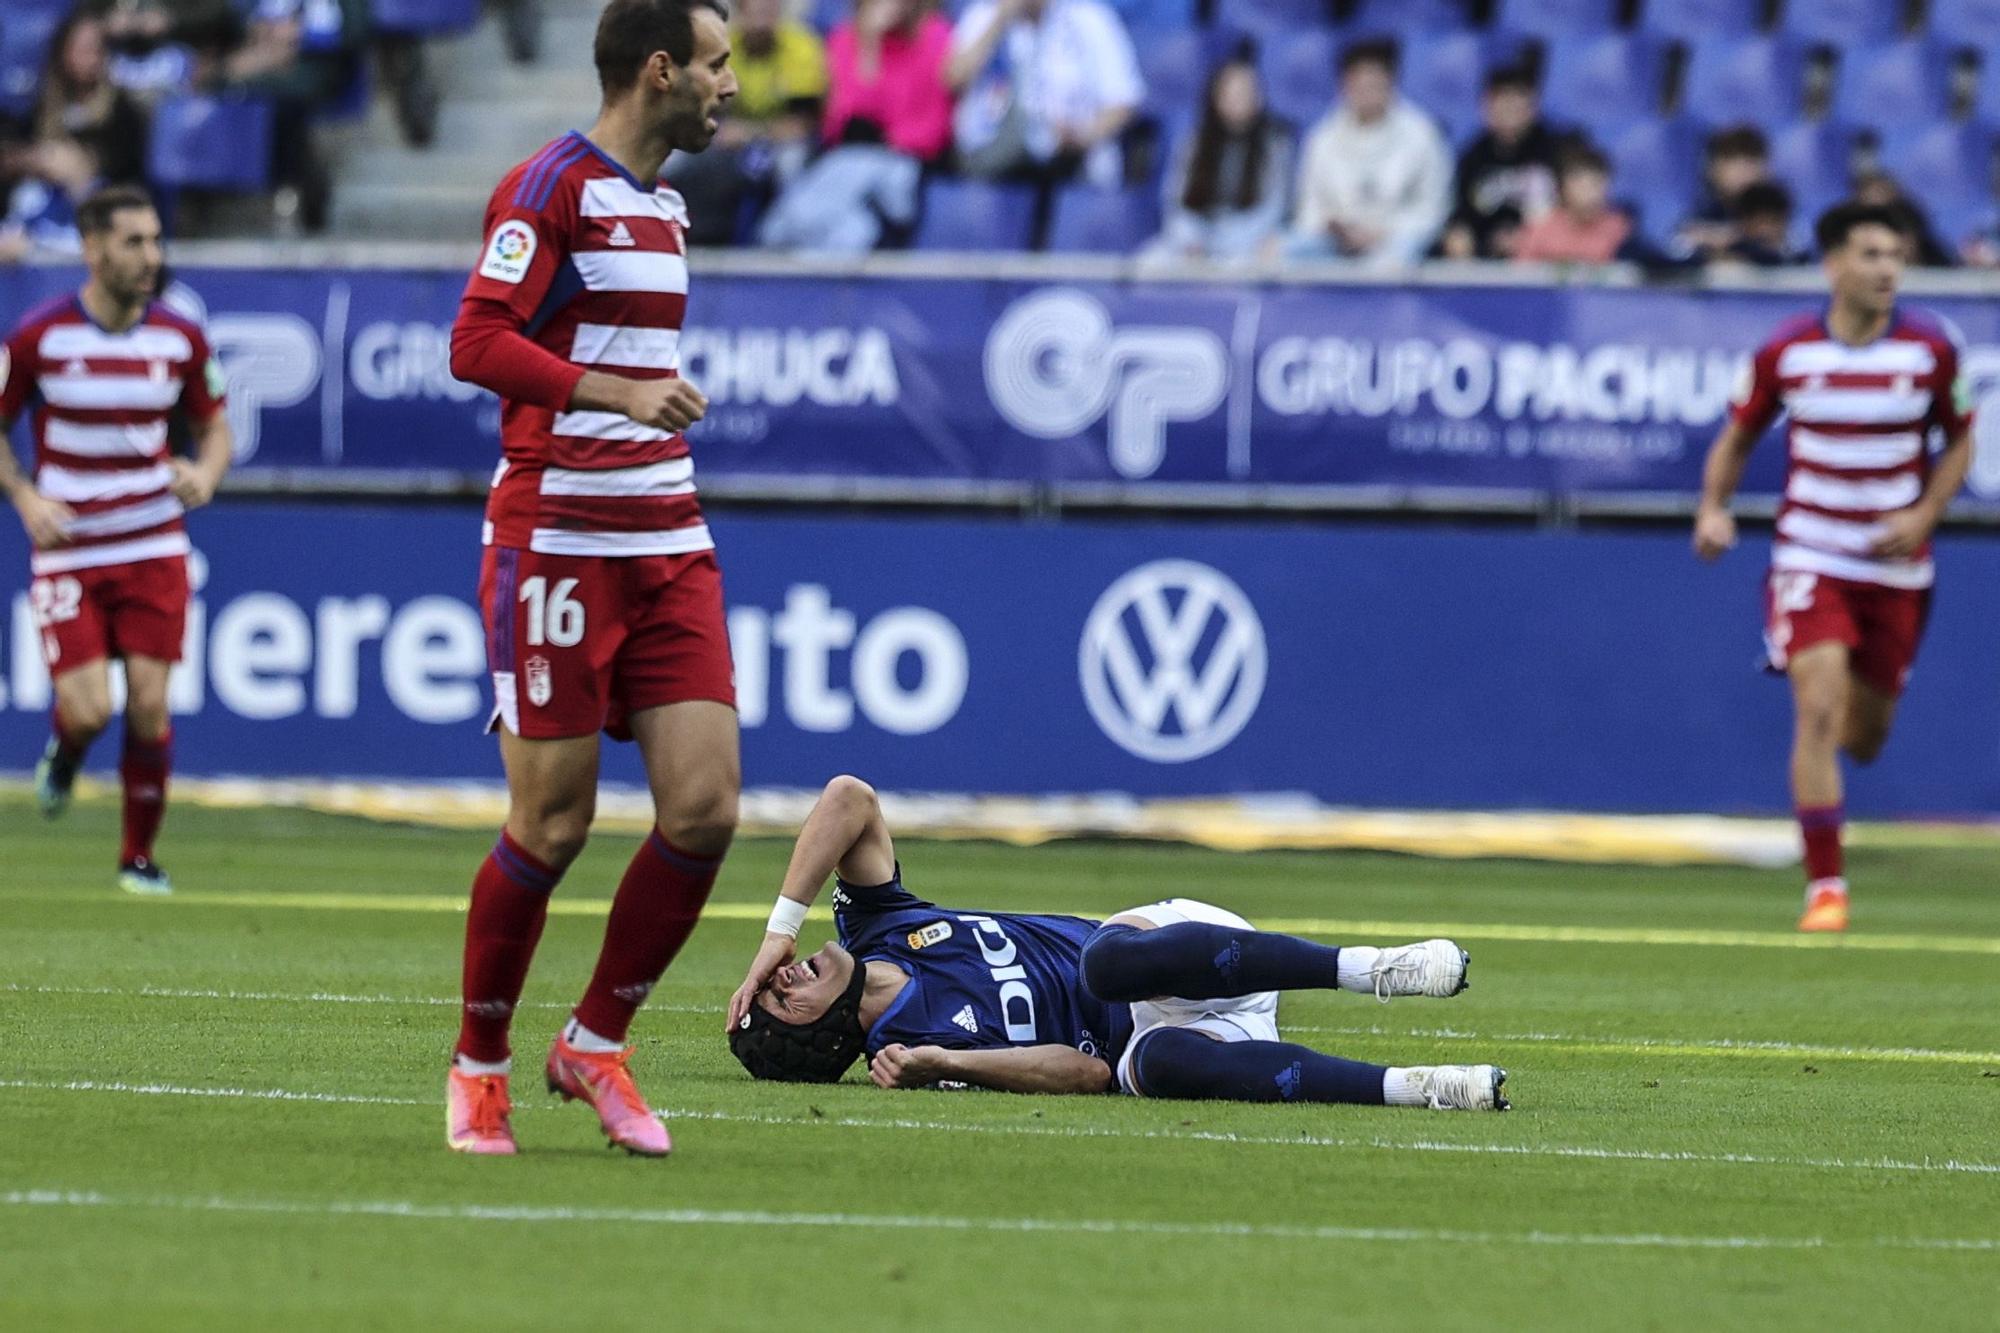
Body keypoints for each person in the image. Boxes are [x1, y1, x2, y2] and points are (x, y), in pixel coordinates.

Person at [443, 0, 742, 1158]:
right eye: (715, 67)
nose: (728, 88)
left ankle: (596, 1041)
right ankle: (479, 1067)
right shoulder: (548, 187)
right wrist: (616, 393)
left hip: (665, 536)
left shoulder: (666, 206)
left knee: (707, 807)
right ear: (658, 71)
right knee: (553, 821)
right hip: (556, 543)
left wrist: (636, 410)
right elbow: (476, 342)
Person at [725, 776, 1509, 1110]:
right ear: (820, 1031)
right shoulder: (910, 1055)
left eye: (772, 977)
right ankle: (1421, 1086)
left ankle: (1372, 968)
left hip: (1178, 950)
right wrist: (949, 1062)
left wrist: (778, 928)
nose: (784, 974)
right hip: (1174, 1041)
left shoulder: (871, 923)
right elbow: (1088, 1071)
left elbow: (849, 798)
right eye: (783, 995)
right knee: (1156, 1064)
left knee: (1106, 962)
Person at [1693, 202, 1974, 934]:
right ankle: (1826, 886)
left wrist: (1923, 515)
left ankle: (1831, 796)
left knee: (1864, 736)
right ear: (1833, 264)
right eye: (1872, 254)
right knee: (1815, 709)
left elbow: (1963, 440)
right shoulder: (1789, 350)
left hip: (1898, 568)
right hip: (1811, 554)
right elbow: (1738, 434)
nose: (1888, 269)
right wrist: (1713, 508)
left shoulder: (1930, 348)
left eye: (1896, 256)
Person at [0, 185, 232, 896]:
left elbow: (214, 426)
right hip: (70, 546)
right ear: (92, 248)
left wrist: (207, 472)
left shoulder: (181, 337)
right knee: (91, 709)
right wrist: (25, 495)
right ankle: (67, 751)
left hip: (154, 540)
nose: (150, 257)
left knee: (150, 703)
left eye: (156, 240)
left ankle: (138, 857)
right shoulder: (39, 338)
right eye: (134, 242)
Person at [756, 0, 954, 255]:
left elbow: (925, 127)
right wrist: (869, 45)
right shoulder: (845, 40)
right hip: (847, 157)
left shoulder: (936, 38)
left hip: (901, 163)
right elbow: (847, 116)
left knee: (857, 208)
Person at [666, 0, 825, 245]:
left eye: (769, 8)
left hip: (781, 143)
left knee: (790, 164)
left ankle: (780, 241)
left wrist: (750, 133)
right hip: (725, 138)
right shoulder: (720, 48)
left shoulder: (801, 46)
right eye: (756, 8)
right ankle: (676, 233)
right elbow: (702, 111)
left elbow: (801, 123)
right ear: (741, 11)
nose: (763, 15)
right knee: (675, 159)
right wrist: (722, 131)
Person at [1283, 40, 1450, 270]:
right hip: (1335, 243)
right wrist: (1331, 226)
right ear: (1344, 86)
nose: (1366, 92)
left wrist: (1382, 232)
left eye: (1374, 84)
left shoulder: (1422, 134)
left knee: (1396, 259)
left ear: (1391, 83)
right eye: (1358, 84)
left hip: (1396, 240)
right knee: (1284, 251)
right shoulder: (1322, 138)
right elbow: (1309, 205)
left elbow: (1432, 208)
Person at [947, 0, 1144, 189]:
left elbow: (1123, 102)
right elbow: (953, 79)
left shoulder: (1089, 18)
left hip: (1071, 166)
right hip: (990, 167)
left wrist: (1082, 136)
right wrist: (999, 19)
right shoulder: (984, 14)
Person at [1141, 44, 1291, 263]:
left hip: (1245, 244)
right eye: (1229, 92)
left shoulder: (1275, 145)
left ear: (1259, 98)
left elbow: (1274, 210)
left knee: (1252, 263)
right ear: (1215, 97)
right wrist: (1191, 239)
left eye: (1245, 92)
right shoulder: (1194, 142)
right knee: (1149, 262)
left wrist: (1227, 241)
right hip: (1194, 243)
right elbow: (1174, 201)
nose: (1236, 100)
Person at [1439, 65, 1561, 262]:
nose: (1510, 112)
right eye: (1503, 102)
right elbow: (1461, 214)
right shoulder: (1473, 155)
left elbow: (1573, 210)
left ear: (1533, 107)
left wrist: (1529, 238)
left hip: (1545, 254)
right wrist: (1461, 234)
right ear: (1486, 107)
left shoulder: (1556, 152)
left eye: (1518, 103)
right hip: (1484, 253)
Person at [1512, 145, 1639, 265]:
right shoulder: (1541, 228)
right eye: (1580, 184)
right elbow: (1521, 276)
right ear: (1562, 187)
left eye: (1595, 183)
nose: (1589, 192)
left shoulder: (1620, 230)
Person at [1674, 125, 1771, 263]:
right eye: (1731, 158)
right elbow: (1677, 252)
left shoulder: (1780, 221)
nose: (1742, 168)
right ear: (1712, 168)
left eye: (1751, 158)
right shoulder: (1696, 220)